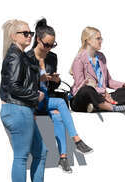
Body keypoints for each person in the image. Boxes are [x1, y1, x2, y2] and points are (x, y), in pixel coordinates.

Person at [0, 20, 62, 182]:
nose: (29, 36)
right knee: (21, 156)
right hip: (16, 109)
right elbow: (12, 86)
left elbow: (23, 82)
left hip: (24, 110)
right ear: (13, 36)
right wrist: (36, 95)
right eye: (25, 33)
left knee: (41, 151)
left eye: (30, 33)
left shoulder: (21, 56)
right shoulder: (14, 56)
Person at [27, 18, 93, 173]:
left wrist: (55, 80)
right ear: (38, 40)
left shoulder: (52, 57)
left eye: (52, 45)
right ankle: (77, 140)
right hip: (33, 101)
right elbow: (25, 83)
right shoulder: (27, 58)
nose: (49, 48)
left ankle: (63, 157)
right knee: (60, 105)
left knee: (57, 115)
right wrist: (40, 79)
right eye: (47, 44)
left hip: (46, 99)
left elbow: (52, 86)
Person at [70, 26, 125, 113]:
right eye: (98, 39)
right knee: (87, 90)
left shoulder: (101, 57)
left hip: (101, 96)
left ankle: (97, 106)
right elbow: (80, 86)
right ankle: (112, 107)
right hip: (82, 98)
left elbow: (109, 81)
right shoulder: (79, 59)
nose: (101, 41)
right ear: (88, 40)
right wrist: (103, 91)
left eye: (101, 39)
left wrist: (124, 84)